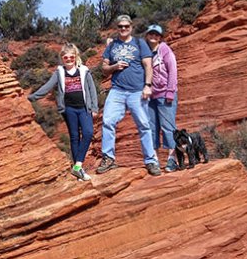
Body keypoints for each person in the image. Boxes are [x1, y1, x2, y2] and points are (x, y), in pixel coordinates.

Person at [97, 15, 161, 176]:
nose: (123, 29)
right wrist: (114, 66)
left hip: (137, 91)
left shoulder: (140, 43)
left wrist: (147, 86)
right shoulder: (112, 46)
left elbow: (148, 65)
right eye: (120, 26)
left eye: (126, 26)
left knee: (144, 125)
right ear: (117, 28)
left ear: (131, 27)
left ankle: (151, 161)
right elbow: (104, 68)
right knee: (108, 122)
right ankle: (109, 158)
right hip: (117, 90)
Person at [28, 43, 99, 181]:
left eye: (71, 57)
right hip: (69, 109)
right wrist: (31, 97)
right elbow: (47, 86)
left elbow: (92, 90)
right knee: (74, 137)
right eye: (66, 57)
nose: (69, 60)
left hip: (84, 108)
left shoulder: (84, 70)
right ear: (62, 58)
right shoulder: (59, 72)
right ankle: (79, 169)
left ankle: (77, 166)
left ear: (76, 57)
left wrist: (94, 108)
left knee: (88, 132)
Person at [145, 24, 179, 173]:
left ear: (160, 37)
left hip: (165, 94)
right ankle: (155, 161)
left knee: (168, 128)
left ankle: (172, 160)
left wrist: (170, 92)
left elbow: (173, 70)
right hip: (150, 96)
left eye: (156, 34)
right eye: (151, 34)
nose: (154, 36)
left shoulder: (164, 49)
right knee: (152, 129)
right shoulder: (145, 52)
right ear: (147, 35)